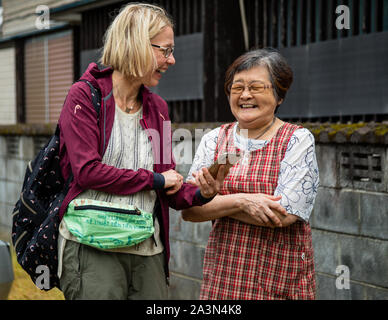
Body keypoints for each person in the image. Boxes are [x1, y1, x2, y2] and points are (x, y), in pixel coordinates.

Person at [56, 3, 226, 300]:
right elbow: (87, 171)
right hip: (93, 243)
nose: (171, 60)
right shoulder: (84, 96)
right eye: (165, 50)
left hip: (147, 249)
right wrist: (156, 180)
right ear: (136, 43)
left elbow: (168, 184)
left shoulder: (158, 109)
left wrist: (202, 193)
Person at [182, 48, 319, 300]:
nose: (245, 95)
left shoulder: (297, 140)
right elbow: (189, 209)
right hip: (223, 277)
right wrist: (244, 201)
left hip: (279, 278)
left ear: (279, 96)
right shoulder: (214, 139)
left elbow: (284, 214)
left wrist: (215, 202)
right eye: (237, 88)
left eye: (256, 87)